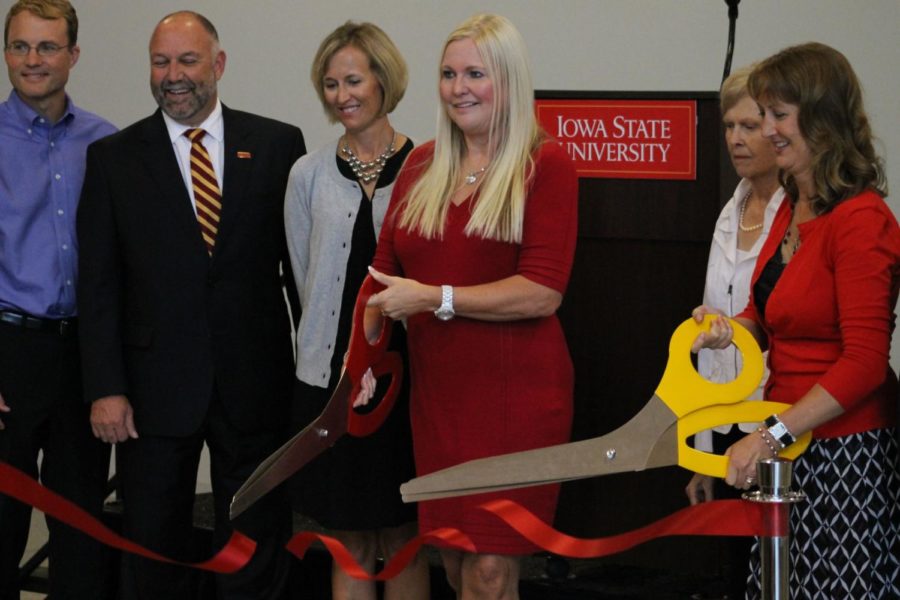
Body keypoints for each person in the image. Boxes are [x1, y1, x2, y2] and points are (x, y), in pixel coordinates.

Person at [76, 11, 305, 600]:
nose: (173, 76)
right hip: (151, 395)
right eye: (160, 62)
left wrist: (318, 380)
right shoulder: (112, 159)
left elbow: (300, 274)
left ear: (218, 65)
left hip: (254, 386)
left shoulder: (279, 146)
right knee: (151, 547)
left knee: (256, 544)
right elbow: (98, 286)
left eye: (187, 60)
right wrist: (105, 386)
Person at [364, 13, 577, 600]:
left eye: (476, 73)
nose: (459, 87)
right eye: (449, 73)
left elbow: (543, 290)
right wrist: (361, 362)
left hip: (515, 396)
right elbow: (380, 280)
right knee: (456, 564)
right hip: (441, 397)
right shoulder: (420, 164)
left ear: (508, 81)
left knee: (489, 568)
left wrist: (438, 298)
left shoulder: (545, 164)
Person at [691, 42, 900, 598]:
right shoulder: (792, 204)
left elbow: (864, 365)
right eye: (765, 115)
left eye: (779, 115)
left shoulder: (862, 221)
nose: (768, 129)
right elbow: (769, 311)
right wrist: (726, 328)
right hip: (790, 445)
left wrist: (769, 436)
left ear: (823, 120)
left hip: (844, 457)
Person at [284, 21, 428, 600]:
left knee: (404, 533)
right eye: (329, 83)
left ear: (382, 81)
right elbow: (302, 277)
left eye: (352, 80)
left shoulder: (429, 171)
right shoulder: (306, 175)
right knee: (347, 536)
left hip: (411, 381)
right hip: (332, 380)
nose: (341, 95)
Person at [0, 1, 116, 598]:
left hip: (84, 359)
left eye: (46, 47)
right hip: (8, 353)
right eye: (19, 47)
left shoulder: (108, 144)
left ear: (73, 55)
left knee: (82, 529)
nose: (32, 61)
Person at [683, 64, 784, 598]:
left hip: (779, 420)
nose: (736, 139)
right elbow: (712, 342)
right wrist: (703, 451)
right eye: (729, 126)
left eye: (750, 125)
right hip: (723, 420)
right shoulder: (731, 209)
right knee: (733, 571)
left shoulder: (798, 213)